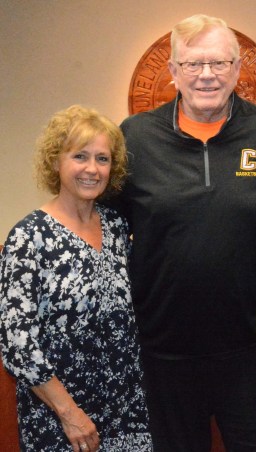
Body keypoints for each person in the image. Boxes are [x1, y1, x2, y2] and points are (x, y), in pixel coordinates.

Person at [114, 14, 256, 452]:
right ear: (173, 72)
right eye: (193, 64)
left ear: (238, 68)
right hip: (164, 355)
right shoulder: (135, 138)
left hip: (252, 352)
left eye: (219, 63)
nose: (207, 75)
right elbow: (101, 222)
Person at [0, 105, 152, 451]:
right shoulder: (29, 237)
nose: (92, 169)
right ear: (56, 162)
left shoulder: (116, 228)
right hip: (61, 421)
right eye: (80, 156)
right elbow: (18, 344)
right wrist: (69, 414)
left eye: (102, 159)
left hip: (127, 413)